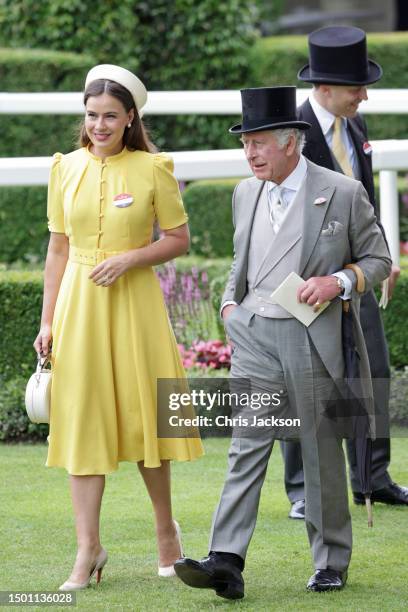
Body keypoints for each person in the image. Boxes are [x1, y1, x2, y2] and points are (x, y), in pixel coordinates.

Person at [174, 85, 391, 598]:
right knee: (247, 446)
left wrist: (337, 282)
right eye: (245, 143)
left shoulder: (341, 191)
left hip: (313, 336)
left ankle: (331, 560)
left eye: (259, 143)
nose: (250, 154)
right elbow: (241, 258)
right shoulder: (244, 192)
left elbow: (378, 260)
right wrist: (231, 306)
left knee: (319, 447)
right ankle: (225, 560)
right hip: (255, 334)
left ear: (291, 141)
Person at [33, 64, 203, 591]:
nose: (100, 125)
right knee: (83, 423)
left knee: (150, 417)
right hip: (78, 309)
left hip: (136, 307)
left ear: (131, 118)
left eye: (110, 116)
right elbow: (58, 249)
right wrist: (46, 321)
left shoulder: (154, 168)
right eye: (92, 115)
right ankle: (88, 549)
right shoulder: (64, 168)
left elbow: (179, 239)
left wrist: (130, 259)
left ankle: (166, 535)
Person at [281, 26, 407, 522]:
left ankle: (371, 478)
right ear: (326, 88)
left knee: (371, 372)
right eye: (357, 87)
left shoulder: (355, 128)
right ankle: (301, 491)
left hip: (358, 275)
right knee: (305, 384)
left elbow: (366, 200)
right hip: (305, 282)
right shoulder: (292, 133)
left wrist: (381, 256)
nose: (365, 95)